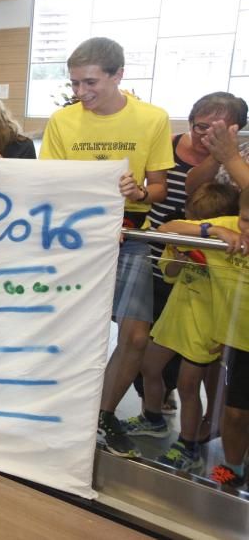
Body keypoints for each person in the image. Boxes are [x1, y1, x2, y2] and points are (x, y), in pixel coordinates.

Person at [39, 37, 173, 458]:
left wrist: (139, 191)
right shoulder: (63, 122)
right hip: (75, 240)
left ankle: (104, 412)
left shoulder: (153, 119)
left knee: (134, 337)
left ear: (118, 75)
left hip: (130, 238)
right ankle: (61, 409)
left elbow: (159, 188)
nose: (81, 93)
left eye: (90, 82)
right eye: (75, 84)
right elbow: (50, 184)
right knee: (70, 331)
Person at [139, 93, 248, 420]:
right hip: (177, 250)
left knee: (210, 365)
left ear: (235, 127)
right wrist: (218, 156)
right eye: (198, 126)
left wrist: (229, 155)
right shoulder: (174, 144)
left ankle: (206, 427)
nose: (203, 134)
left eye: (212, 127)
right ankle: (157, 410)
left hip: (225, 269)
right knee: (157, 340)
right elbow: (189, 186)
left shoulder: (241, 155)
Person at [130, 183, 239, 472]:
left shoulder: (230, 248)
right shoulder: (187, 237)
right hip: (175, 318)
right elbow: (170, 273)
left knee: (189, 387)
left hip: (205, 329)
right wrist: (180, 257)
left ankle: (188, 446)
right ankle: (153, 418)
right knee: (149, 367)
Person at [157, 186, 249, 489]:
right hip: (239, 343)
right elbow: (167, 228)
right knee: (235, 414)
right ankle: (233, 467)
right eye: (246, 220)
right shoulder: (226, 232)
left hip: (223, 336)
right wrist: (213, 229)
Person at [186, 97, 249, 193]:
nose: (208, 136)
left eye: (219, 130)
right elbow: (190, 189)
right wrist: (217, 156)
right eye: (202, 127)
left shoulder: (239, 153)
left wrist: (231, 158)